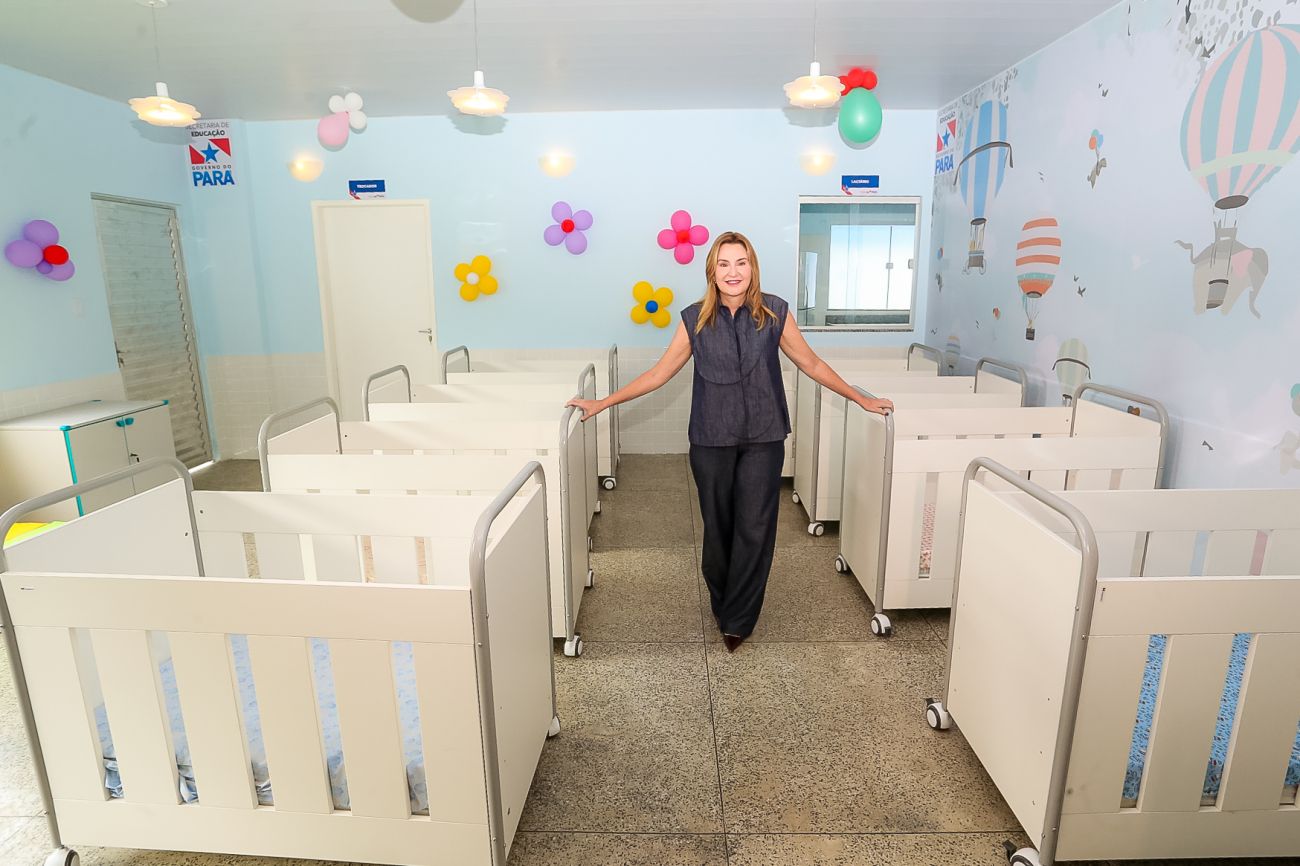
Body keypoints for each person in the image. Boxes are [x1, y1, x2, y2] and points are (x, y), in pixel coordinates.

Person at [567, 231, 893, 652]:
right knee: (718, 528)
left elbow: (811, 363)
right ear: (712, 272)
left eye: (741, 263)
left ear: (752, 268)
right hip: (711, 438)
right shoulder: (695, 319)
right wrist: (602, 403)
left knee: (755, 527)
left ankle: (738, 618)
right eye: (724, 264)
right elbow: (658, 374)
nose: (733, 272)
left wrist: (860, 398)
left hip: (764, 438)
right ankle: (723, 600)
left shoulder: (775, 313)